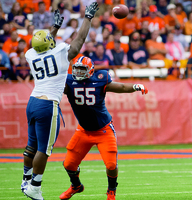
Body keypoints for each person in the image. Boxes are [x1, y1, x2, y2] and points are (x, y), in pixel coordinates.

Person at [20, 3, 99, 200]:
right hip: (48, 104)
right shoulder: (60, 53)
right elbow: (79, 40)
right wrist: (87, 18)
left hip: (33, 102)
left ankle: (26, 179)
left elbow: (43, 44)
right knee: (44, 150)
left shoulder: (30, 54)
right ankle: (35, 187)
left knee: (32, 144)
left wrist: (53, 28)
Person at [59, 56, 148, 200]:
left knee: (112, 164)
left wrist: (135, 86)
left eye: (82, 69)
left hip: (103, 130)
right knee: (69, 164)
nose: (79, 72)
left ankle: (111, 191)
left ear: (91, 70)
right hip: (83, 130)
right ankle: (76, 186)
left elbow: (121, 87)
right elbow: (54, 89)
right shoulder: (69, 81)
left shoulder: (101, 78)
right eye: (77, 69)